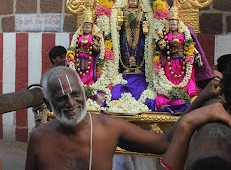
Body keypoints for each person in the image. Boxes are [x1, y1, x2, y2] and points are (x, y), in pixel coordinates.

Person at [25, 66, 231, 170]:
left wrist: (199, 101)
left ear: (84, 91)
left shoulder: (108, 127)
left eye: (75, 94)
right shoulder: (39, 137)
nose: (71, 104)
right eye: (61, 98)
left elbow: (165, 143)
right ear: (49, 101)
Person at [154, 5, 198, 109]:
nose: (173, 25)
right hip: (171, 62)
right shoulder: (165, 34)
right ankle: (171, 98)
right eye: (171, 23)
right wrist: (162, 44)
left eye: (175, 23)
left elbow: (190, 45)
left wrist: (196, 54)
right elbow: (161, 46)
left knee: (185, 80)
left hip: (182, 61)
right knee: (170, 80)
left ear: (178, 24)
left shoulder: (184, 34)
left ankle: (185, 96)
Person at [66, 8, 103, 85]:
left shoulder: (93, 37)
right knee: (79, 70)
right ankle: (79, 83)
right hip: (79, 56)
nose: (86, 29)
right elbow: (76, 46)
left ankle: (88, 83)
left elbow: (96, 50)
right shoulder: (79, 36)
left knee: (88, 72)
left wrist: (95, 47)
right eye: (85, 27)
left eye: (88, 27)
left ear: (92, 28)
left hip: (89, 57)